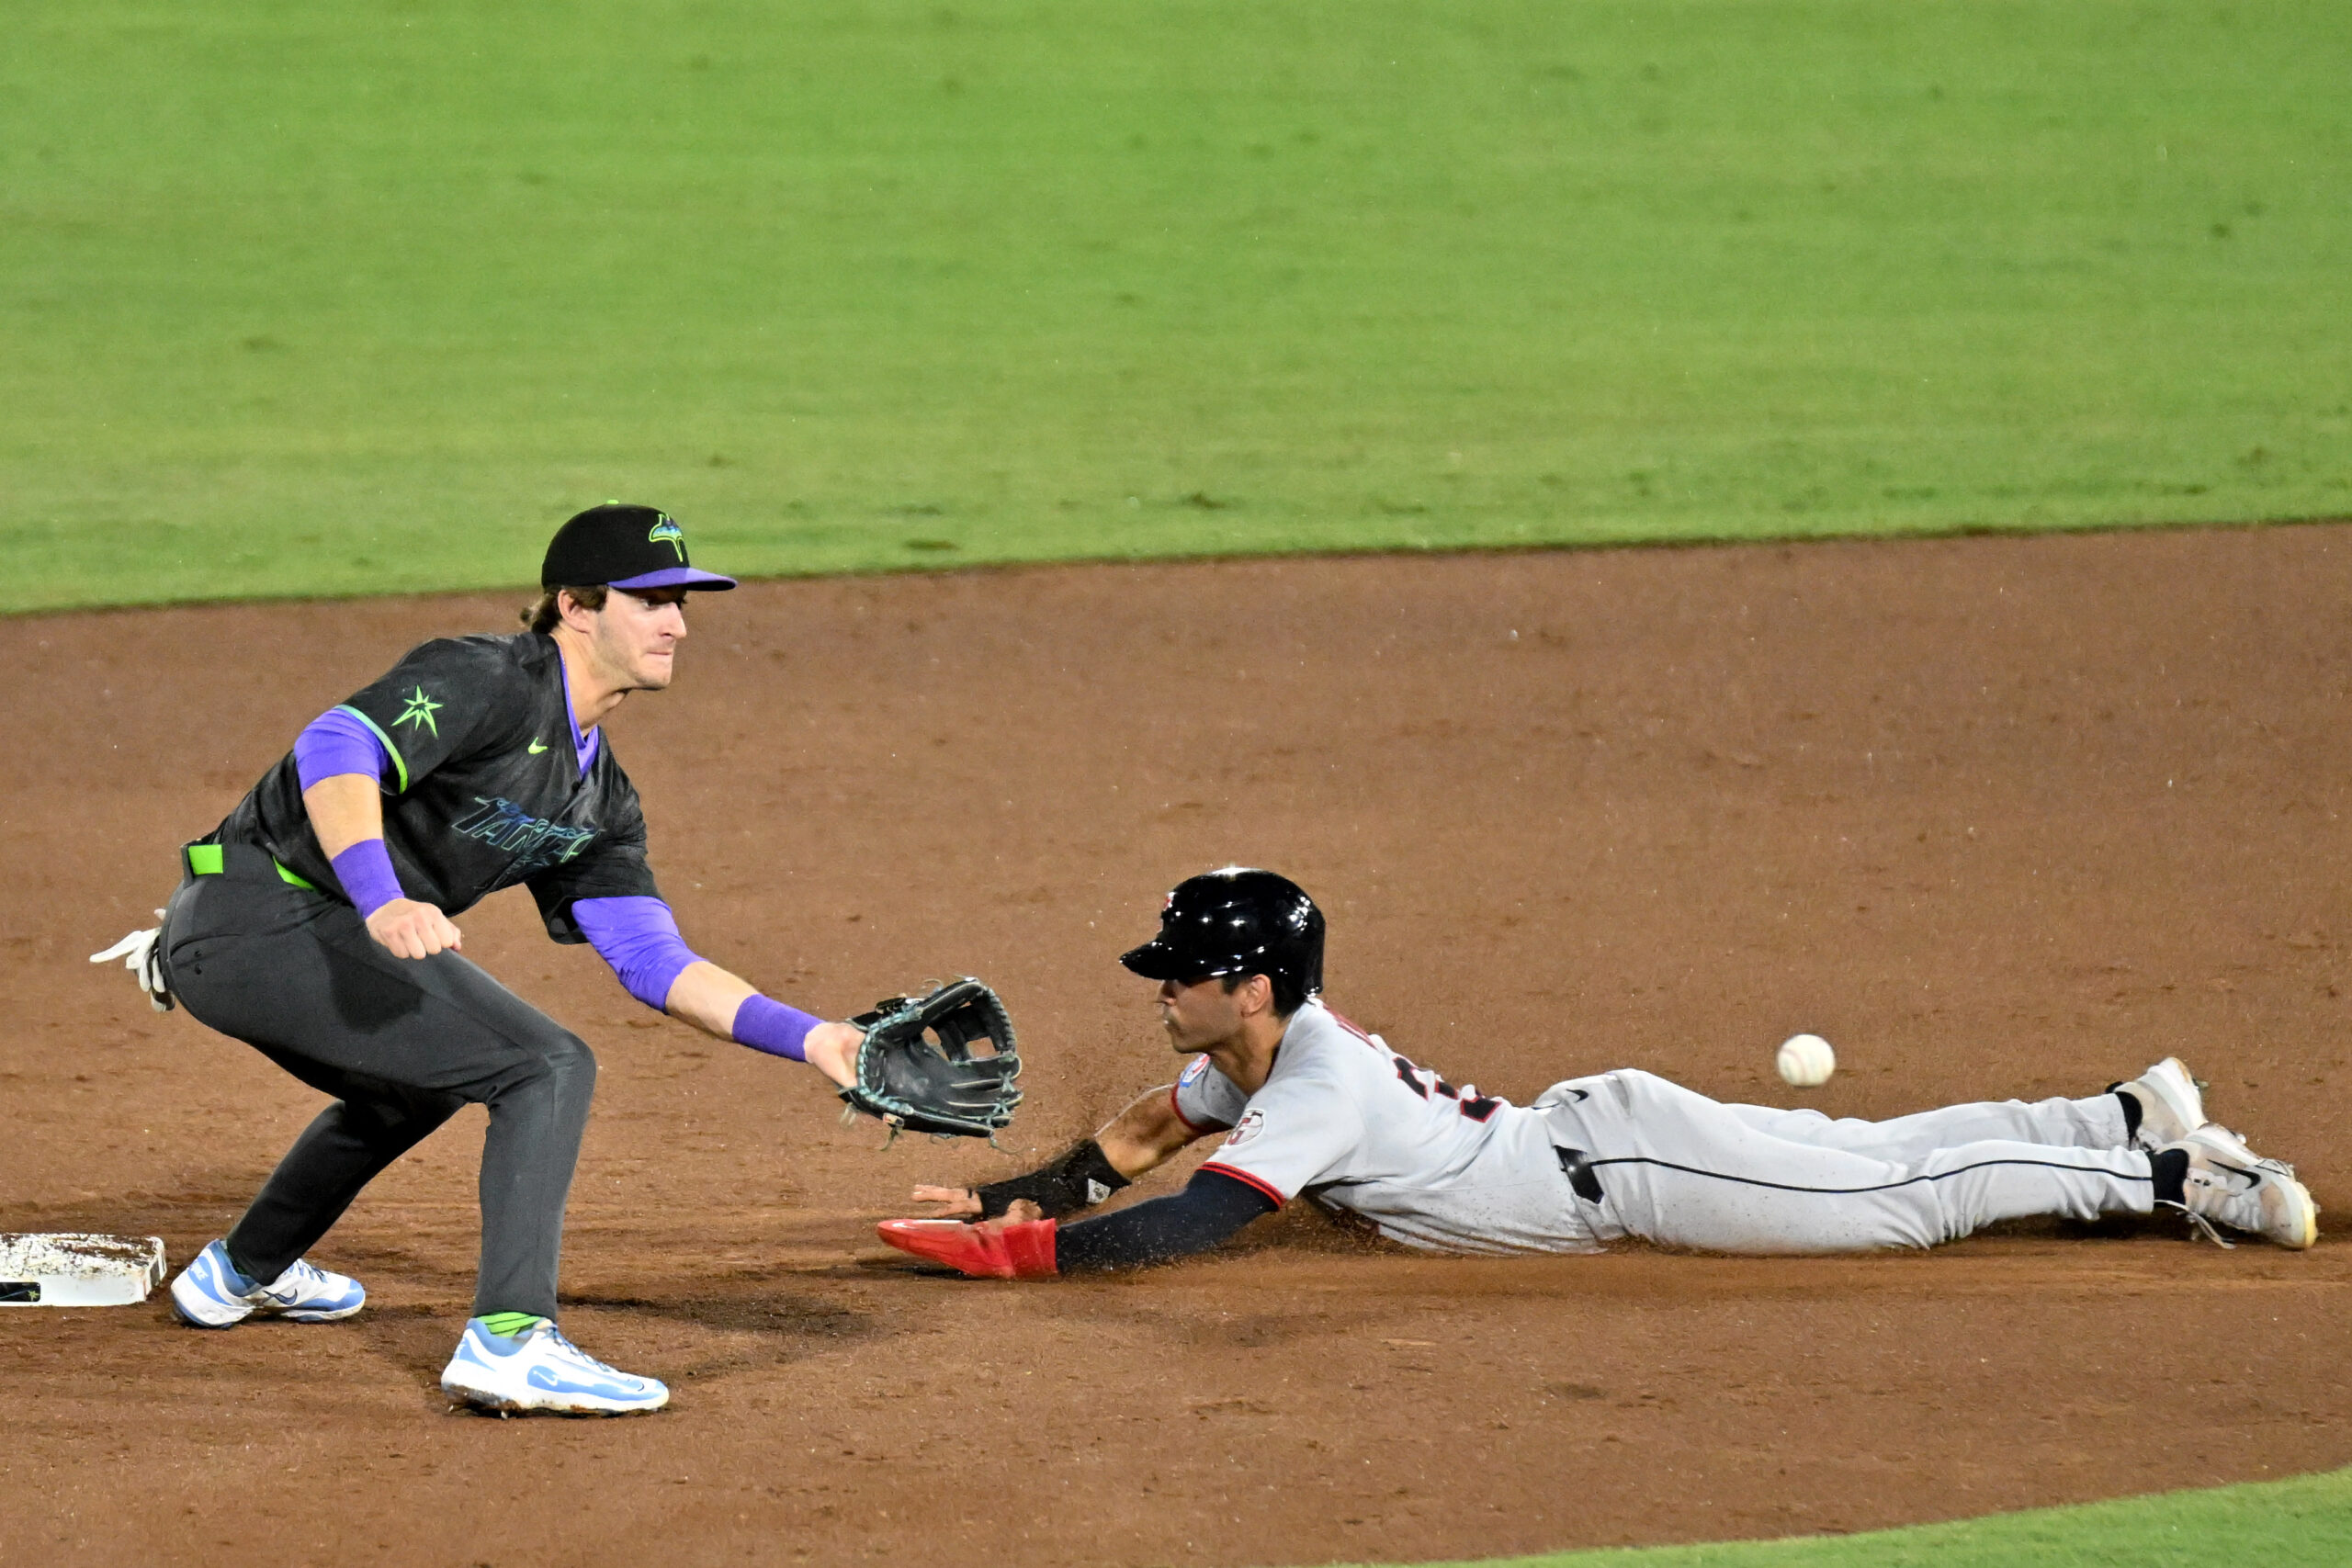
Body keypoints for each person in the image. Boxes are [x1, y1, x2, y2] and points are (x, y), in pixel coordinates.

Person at [101, 504, 868, 1416]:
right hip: (253, 913)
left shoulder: (601, 802)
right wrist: (381, 895)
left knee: (417, 1085)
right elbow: (335, 744)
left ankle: (238, 1272)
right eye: (652, 600)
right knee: (545, 1064)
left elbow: (652, 960)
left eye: (683, 602)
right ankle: (510, 1342)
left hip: (282, 941)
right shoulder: (488, 678)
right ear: (576, 606)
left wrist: (815, 1039)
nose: (678, 623)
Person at [882, 867, 2318, 1280]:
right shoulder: (1263, 1056)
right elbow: (1145, 1137)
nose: (1162, 990)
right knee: (1873, 1150)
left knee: (1899, 1200)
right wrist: (1023, 1194)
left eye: (1177, 973)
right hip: (1609, 1131)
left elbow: (1202, 1216)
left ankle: (2168, 1167)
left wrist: (1039, 1261)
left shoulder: (1309, 1085)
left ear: (1247, 986)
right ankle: (2117, 1110)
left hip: (1622, 1168)